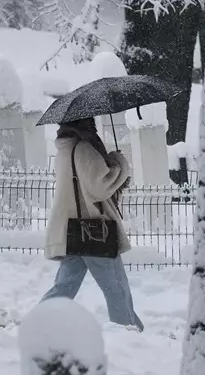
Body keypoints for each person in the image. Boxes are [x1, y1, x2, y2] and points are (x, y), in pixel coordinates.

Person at [39, 117, 144, 330]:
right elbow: (100, 186)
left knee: (64, 287)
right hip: (93, 229)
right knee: (116, 287)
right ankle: (127, 330)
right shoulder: (84, 149)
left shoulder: (64, 150)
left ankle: (39, 322)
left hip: (71, 231)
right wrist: (118, 163)